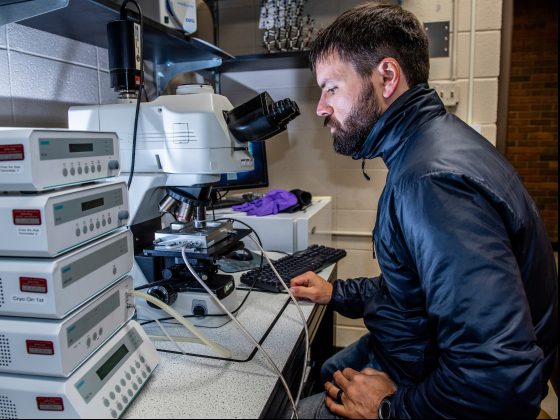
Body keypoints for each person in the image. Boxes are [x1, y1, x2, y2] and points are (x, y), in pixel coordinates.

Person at [287, 2, 559, 419]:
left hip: (434, 382)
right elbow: (410, 289)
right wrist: (336, 292)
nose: (322, 108)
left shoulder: (432, 182)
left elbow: (498, 378)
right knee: (327, 367)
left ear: (388, 77)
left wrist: (388, 408)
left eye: (331, 89)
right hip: (413, 348)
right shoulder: (430, 145)